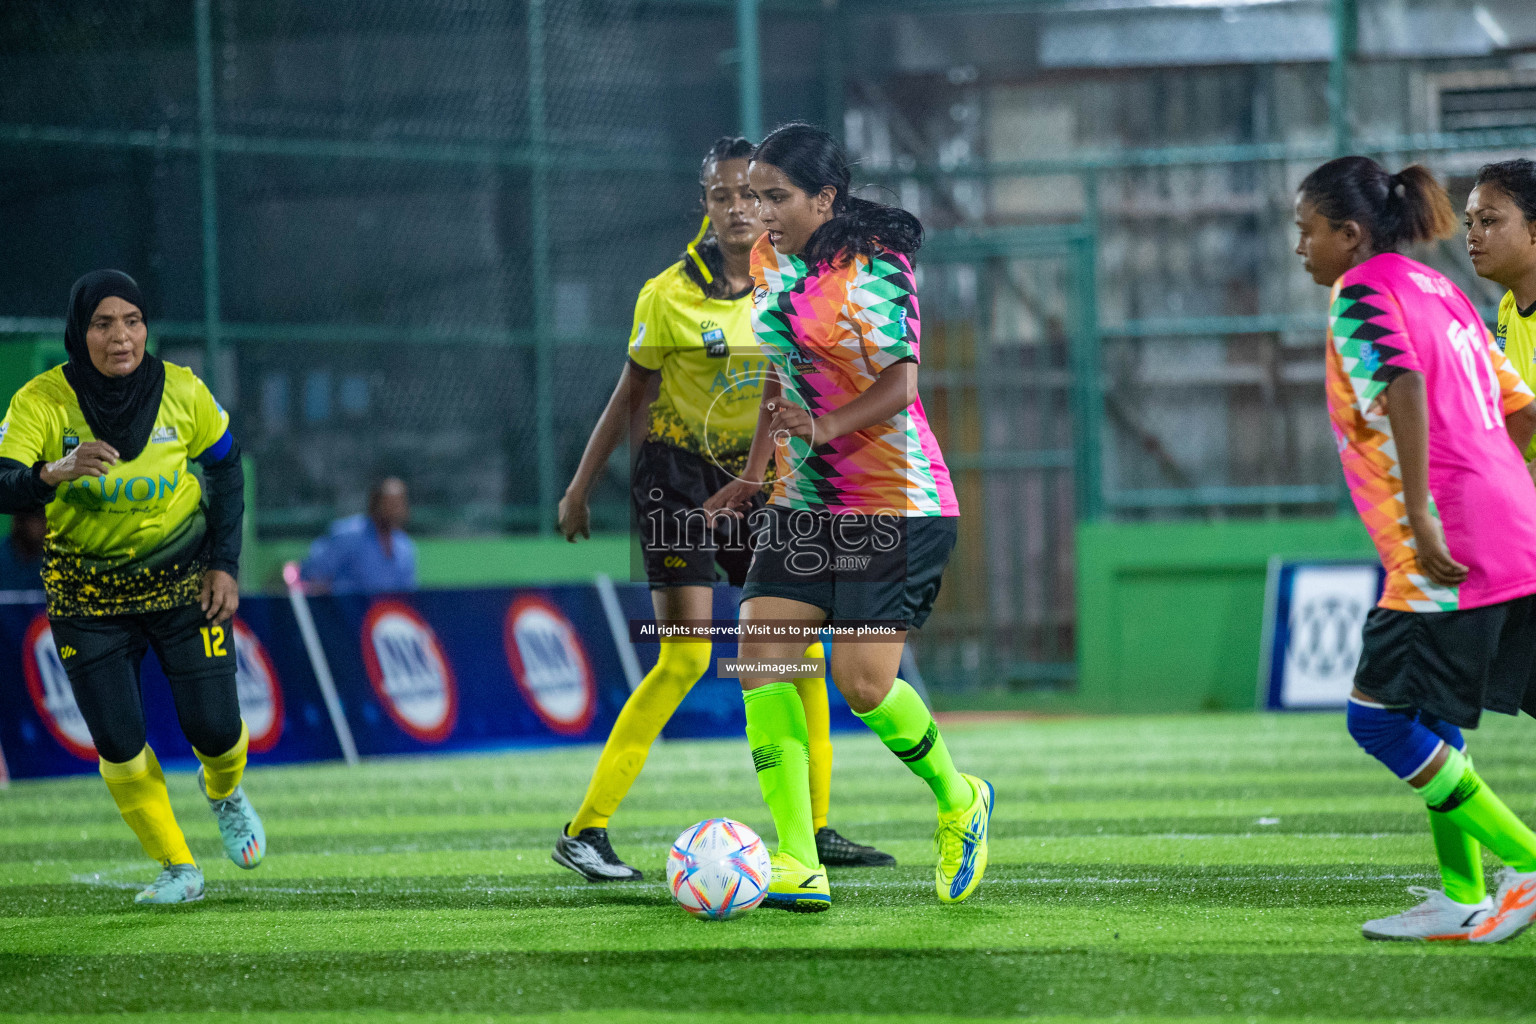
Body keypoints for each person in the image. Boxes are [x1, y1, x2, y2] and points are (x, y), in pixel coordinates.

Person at [553, 136, 893, 881]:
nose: (740, 208)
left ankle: (816, 829)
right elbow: (628, 396)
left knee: (797, 652)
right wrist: (582, 485)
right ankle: (586, 830)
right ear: (704, 204)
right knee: (686, 654)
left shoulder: (795, 283)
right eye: (722, 195)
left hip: (764, 484)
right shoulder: (666, 293)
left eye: (753, 193)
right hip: (676, 480)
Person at [704, 123, 990, 912]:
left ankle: (960, 796)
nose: (756, 211)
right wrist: (755, 473)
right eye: (749, 195)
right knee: (762, 655)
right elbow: (781, 375)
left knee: (863, 687)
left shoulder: (879, 271)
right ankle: (797, 860)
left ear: (823, 199)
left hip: (893, 500)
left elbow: (900, 385)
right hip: (802, 503)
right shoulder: (768, 264)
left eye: (775, 196)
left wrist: (824, 429)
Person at [1295, 156, 1536, 943]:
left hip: (1446, 537)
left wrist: (1427, 517)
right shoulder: (1447, 292)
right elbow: (1520, 411)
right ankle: (1462, 895)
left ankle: (1525, 862)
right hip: (1512, 524)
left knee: (1380, 721)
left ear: (1350, 233)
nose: (1302, 248)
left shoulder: (1361, 292)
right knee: (1432, 715)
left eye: (1308, 231)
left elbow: (1401, 385)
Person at [0, 270, 264, 905]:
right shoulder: (40, 400)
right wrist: (51, 472)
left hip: (182, 583)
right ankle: (177, 867)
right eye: (102, 323)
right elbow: (3, 484)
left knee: (217, 729)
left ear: (147, 327)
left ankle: (224, 791)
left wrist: (224, 564)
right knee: (117, 741)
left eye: (132, 321)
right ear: (79, 331)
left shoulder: (183, 390)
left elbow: (227, 471)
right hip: (85, 598)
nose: (120, 336)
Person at [1466, 158, 1536, 445]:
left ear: (1534, 231)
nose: (1472, 236)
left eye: (1488, 221)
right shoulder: (1509, 307)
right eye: (1469, 223)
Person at [300, 476, 416, 594]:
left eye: (401, 504)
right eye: (391, 504)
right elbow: (314, 575)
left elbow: (406, 594)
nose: (397, 511)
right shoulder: (347, 535)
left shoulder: (405, 546)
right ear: (374, 504)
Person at [0, 508, 46, 590]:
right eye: (37, 518)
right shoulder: (3, 557)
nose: (43, 526)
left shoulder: (54, 561)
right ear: (20, 522)